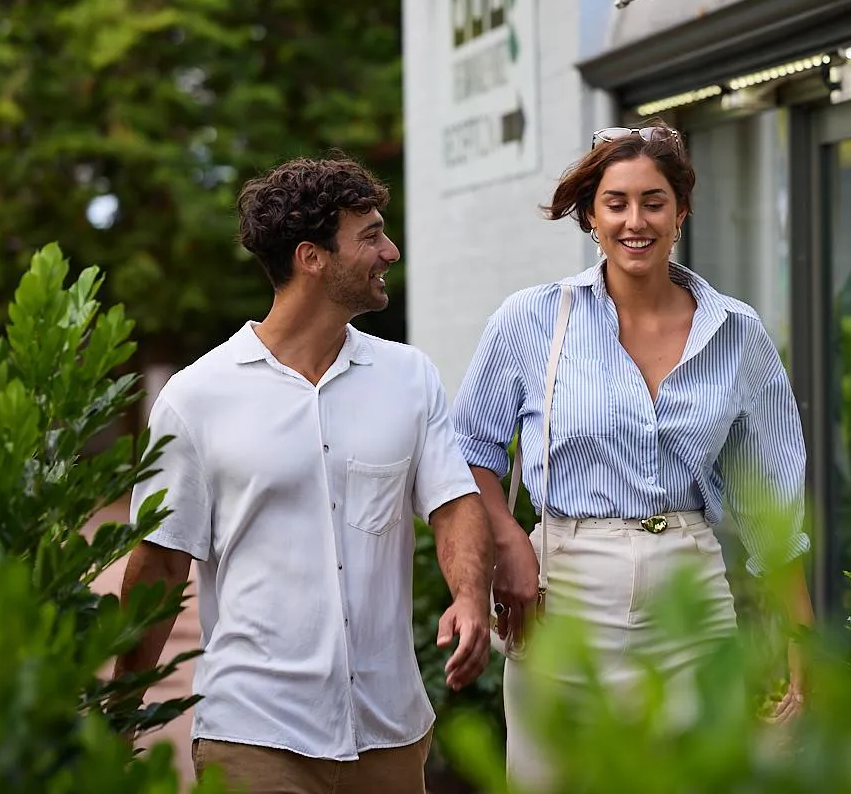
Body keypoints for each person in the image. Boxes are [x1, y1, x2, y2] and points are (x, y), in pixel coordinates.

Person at [451, 118, 814, 786]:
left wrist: (802, 646)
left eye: (653, 201)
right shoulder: (531, 320)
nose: (634, 221)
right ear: (590, 215)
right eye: (616, 203)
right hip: (564, 585)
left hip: (690, 588)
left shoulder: (736, 332)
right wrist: (508, 543)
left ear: (682, 211)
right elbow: (470, 445)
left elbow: (773, 506)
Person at [117, 156, 493, 794]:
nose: (391, 251)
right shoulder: (196, 397)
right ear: (311, 257)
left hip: (390, 731)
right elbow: (158, 565)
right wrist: (123, 706)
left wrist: (468, 595)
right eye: (370, 235)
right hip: (254, 732)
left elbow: (453, 501)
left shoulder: (410, 378)